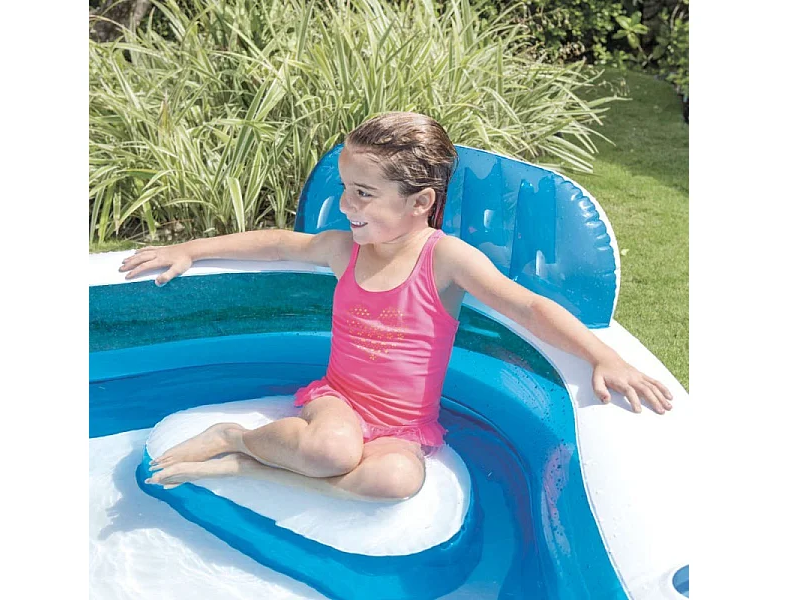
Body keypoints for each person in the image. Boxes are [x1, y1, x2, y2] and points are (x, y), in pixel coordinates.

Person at [120, 112, 673, 501]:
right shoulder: (344, 249)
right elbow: (277, 242)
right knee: (332, 450)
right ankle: (234, 436)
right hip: (340, 401)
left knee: (393, 484)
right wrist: (190, 249)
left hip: (405, 426)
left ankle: (245, 466)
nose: (344, 203)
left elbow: (527, 306)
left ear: (421, 202)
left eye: (363, 192)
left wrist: (604, 356)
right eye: (346, 186)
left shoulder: (446, 260)